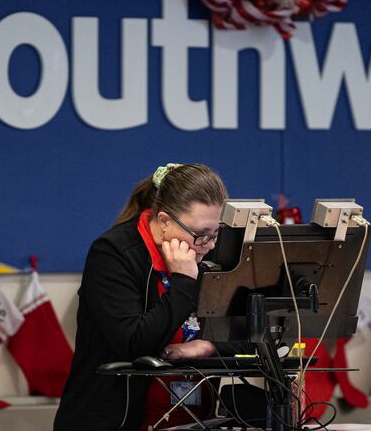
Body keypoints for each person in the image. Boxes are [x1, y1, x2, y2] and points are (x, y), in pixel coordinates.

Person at [54, 163, 235, 430]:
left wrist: (208, 347)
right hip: (115, 420)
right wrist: (184, 282)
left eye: (215, 233)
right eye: (200, 235)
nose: (208, 246)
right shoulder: (113, 254)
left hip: (196, 418)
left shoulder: (207, 251)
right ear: (163, 221)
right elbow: (134, 343)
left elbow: (255, 339)